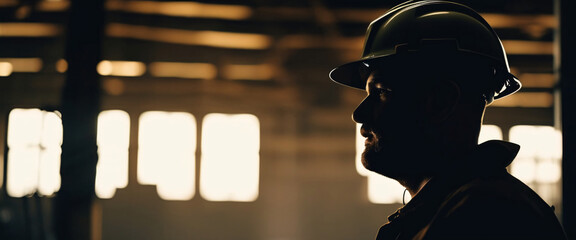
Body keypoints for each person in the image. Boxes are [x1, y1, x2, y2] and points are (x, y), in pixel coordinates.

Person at [329, 1, 568, 239]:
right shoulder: (452, 209)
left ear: (442, 101)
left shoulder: (484, 215)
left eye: (382, 91)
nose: (359, 114)